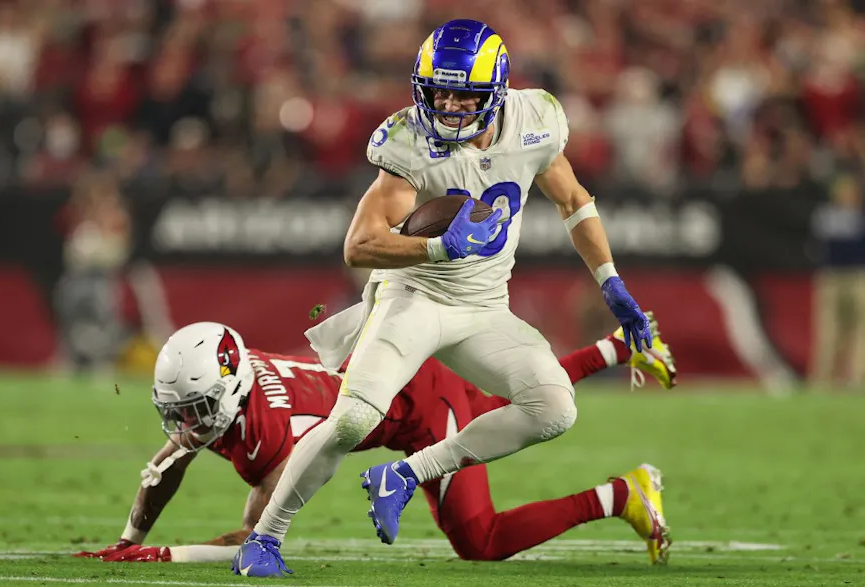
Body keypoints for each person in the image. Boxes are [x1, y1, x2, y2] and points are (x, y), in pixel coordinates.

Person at [238, 19, 656, 577]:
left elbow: (574, 201)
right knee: (353, 419)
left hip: (484, 307)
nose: (450, 104)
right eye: (439, 90)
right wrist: (437, 249)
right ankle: (265, 539)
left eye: (465, 94)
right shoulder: (409, 140)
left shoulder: (535, 122)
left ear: (498, 94)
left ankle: (406, 475)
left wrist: (610, 281)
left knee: (554, 408)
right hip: (413, 296)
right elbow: (358, 246)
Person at [74, 320, 675, 566]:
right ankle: (623, 344)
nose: (186, 425)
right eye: (180, 411)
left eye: (197, 410)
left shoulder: (270, 436)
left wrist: (163, 554)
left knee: (478, 539)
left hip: (419, 408)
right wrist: (130, 539)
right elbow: (171, 458)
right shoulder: (237, 374)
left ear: (229, 390)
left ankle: (620, 496)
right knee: (514, 403)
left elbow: (253, 542)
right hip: (399, 382)